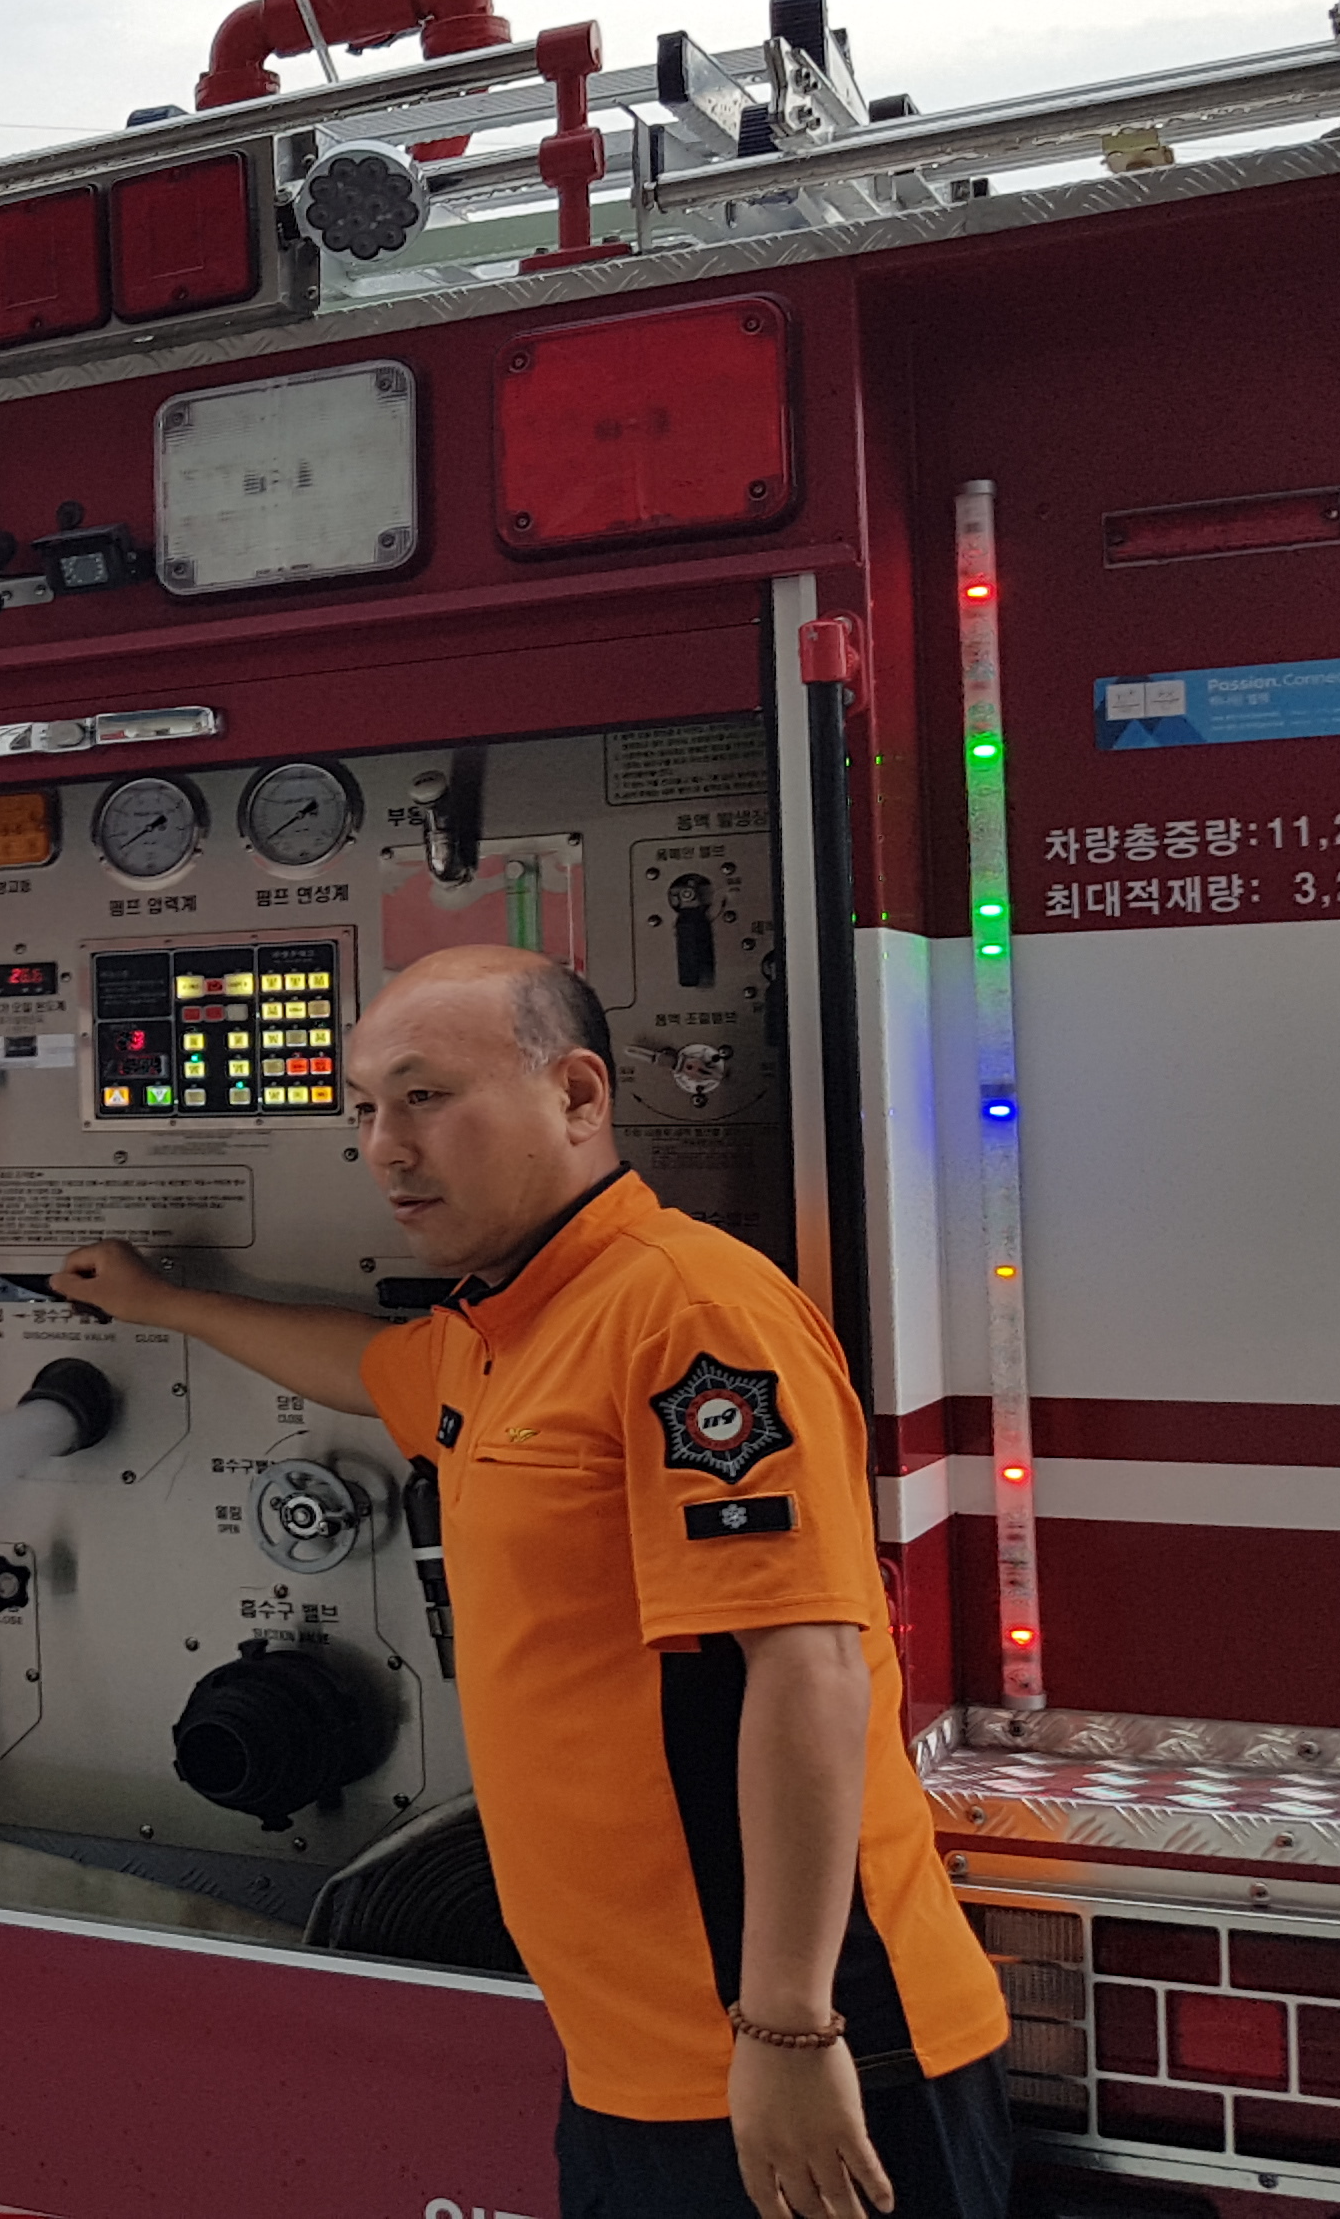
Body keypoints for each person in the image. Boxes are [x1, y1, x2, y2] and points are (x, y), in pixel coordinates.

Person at [56, 944, 1010, 2219]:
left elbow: (809, 1668)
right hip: (631, 2065)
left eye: (426, 1097)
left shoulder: (686, 1314)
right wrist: (164, 1304)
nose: (386, 1148)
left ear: (576, 1095)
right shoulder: (500, 1334)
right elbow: (366, 1368)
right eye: (363, 1109)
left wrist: (789, 2027)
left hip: (809, 2057)